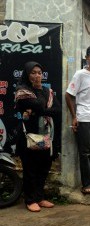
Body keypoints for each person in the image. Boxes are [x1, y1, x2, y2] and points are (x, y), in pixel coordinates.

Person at [15, 61, 61, 212]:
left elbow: (58, 110)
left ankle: (40, 197)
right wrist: (41, 107)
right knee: (30, 168)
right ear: (27, 75)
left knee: (44, 167)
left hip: (45, 136)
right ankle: (30, 200)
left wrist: (40, 111)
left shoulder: (48, 92)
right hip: (28, 136)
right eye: (33, 73)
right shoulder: (22, 91)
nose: (37, 75)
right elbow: (40, 105)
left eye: (39, 73)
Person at [65, 45, 90, 195]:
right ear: (87, 58)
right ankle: (86, 184)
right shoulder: (80, 74)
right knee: (86, 152)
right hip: (85, 118)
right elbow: (69, 95)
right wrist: (75, 116)